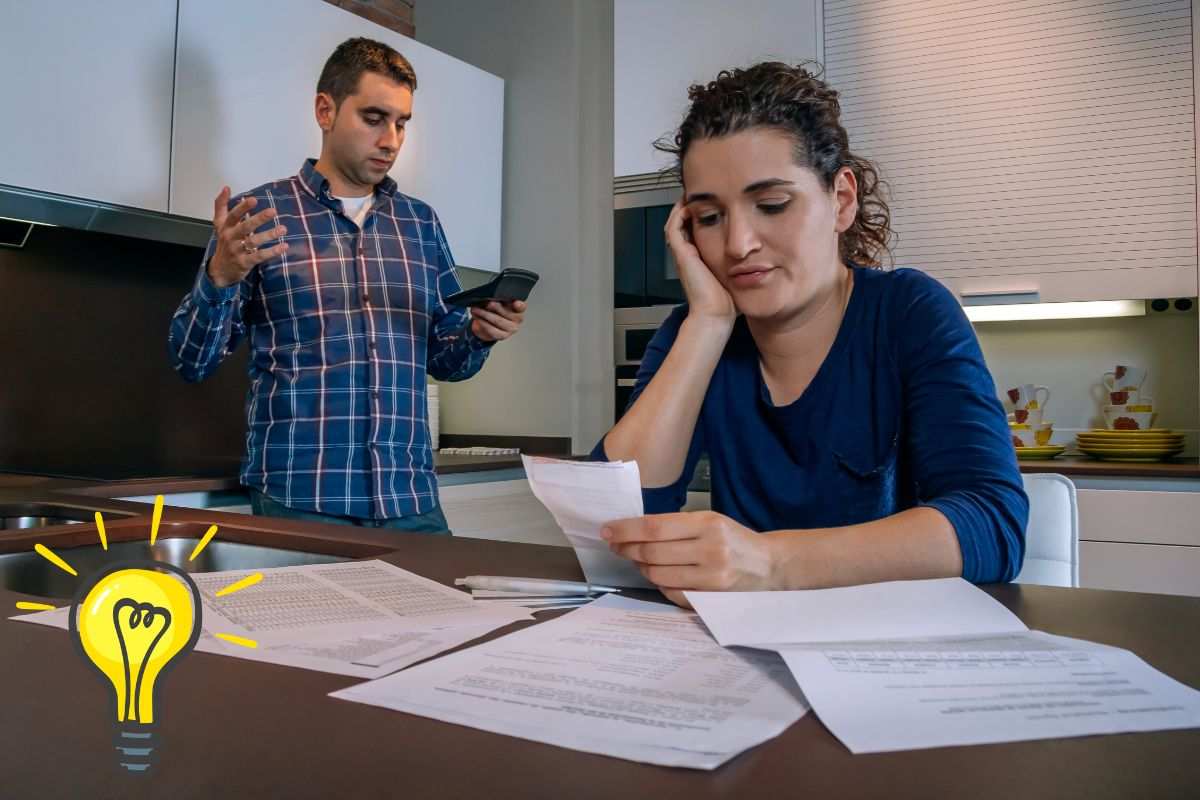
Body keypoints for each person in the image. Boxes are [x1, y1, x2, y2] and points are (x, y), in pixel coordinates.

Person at [594, 62, 1027, 607]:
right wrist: (707, 322)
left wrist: (773, 563)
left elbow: (992, 524)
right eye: (708, 218)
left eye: (772, 205)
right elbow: (611, 522)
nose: (738, 244)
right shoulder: (695, 331)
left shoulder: (909, 312)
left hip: (893, 642)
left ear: (841, 200)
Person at [168, 37, 524, 532]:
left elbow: (447, 360)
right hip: (302, 499)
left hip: (410, 500)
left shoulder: (420, 225)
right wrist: (219, 279)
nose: (391, 140)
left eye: (402, 123)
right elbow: (191, 360)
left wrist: (480, 334)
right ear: (325, 110)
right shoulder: (258, 217)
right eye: (374, 118)